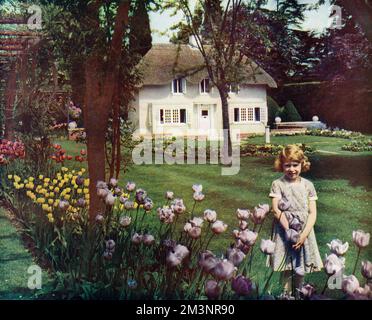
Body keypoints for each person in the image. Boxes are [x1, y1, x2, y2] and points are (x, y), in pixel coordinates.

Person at [268, 144, 323, 296]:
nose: (292, 169)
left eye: (295, 165)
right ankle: (286, 295)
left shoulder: (308, 185)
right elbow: (276, 209)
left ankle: (299, 294)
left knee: (300, 267)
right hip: (284, 230)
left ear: (302, 164)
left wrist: (303, 235)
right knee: (286, 266)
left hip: (304, 231)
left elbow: (312, 213)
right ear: (281, 165)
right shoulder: (278, 184)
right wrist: (290, 231)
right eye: (287, 165)